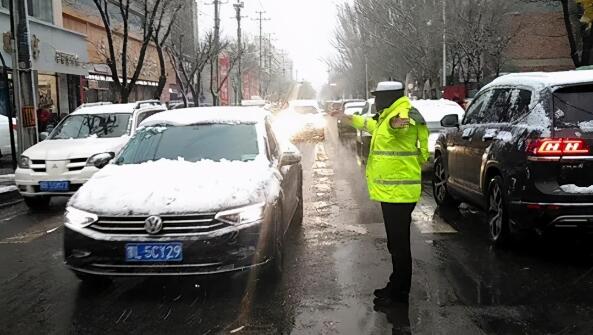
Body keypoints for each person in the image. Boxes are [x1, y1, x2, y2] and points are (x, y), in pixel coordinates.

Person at [331, 81, 429, 307]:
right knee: (396, 244)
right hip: (393, 192)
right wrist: (346, 117)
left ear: (389, 97)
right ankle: (395, 285)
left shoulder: (401, 114)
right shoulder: (387, 115)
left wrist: (397, 124)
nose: (375, 101)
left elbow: (400, 126)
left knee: (399, 245)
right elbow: (370, 124)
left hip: (400, 193)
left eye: (378, 97)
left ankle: (400, 294)